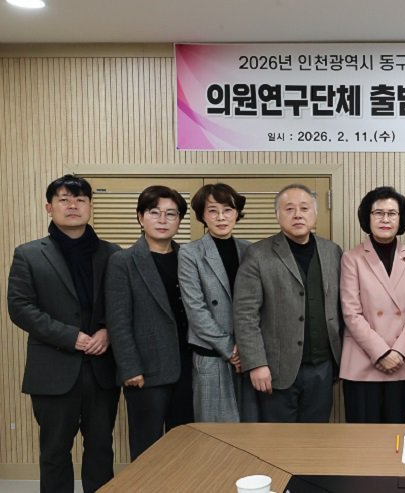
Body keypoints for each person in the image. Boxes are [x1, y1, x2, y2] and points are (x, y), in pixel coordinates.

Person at [7, 175, 120, 493]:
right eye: (64, 199)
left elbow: (123, 304)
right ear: (49, 207)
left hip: (102, 369)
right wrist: (71, 336)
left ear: (90, 206)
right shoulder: (29, 254)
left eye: (80, 199)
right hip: (53, 370)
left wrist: (107, 331)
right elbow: (20, 308)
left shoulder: (113, 254)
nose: (73, 205)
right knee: (55, 453)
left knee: (101, 449)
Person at [233, 184, 343, 423]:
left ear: (315, 213)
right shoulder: (258, 254)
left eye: (304, 208)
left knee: (317, 437)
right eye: (289, 209)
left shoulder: (332, 251)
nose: (298, 215)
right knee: (278, 440)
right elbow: (245, 315)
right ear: (277, 215)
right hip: (275, 369)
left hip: (323, 366)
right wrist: (256, 364)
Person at [106, 185, 193, 459]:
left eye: (171, 214)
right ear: (140, 217)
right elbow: (118, 320)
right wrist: (130, 367)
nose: (163, 220)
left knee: (187, 446)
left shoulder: (189, 257)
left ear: (179, 220)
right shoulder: (123, 261)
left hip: (190, 367)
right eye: (154, 212)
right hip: (146, 371)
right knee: (147, 449)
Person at [340, 186, 405, 423]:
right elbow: (351, 313)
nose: (385, 219)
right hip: (363, 361)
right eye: (378, 213)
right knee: (361, 437)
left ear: (401, 218)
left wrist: (398, 352)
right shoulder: (352, 258)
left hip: (400, 362)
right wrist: (381, 353)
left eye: (391, 213)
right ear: (367, 218)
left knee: (395, 433)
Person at [178, 183, 258, 422]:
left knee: (251, 429)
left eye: (228, 210)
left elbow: (259, 303)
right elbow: (196, 309)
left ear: (237, 213)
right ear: (202, 216)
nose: (221, 217)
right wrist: (230, 349)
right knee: (215, 430)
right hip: (212, 354)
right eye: (213, 211)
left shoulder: (250, 250)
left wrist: (246, 348)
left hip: (249, 353)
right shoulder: (190, 253)